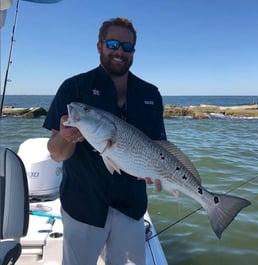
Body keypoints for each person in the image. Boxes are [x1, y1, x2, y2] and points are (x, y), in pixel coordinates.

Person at [43, 17, 166, 265]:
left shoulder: (150, 94)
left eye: (127, 47)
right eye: (113, 43)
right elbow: (56, 154)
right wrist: (67, 138)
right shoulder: (74, 88)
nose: (119, 51)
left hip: (131, 209)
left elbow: (159, 147)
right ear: (100, 46)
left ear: (133, 51)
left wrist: (159, 172)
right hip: (83, 207)